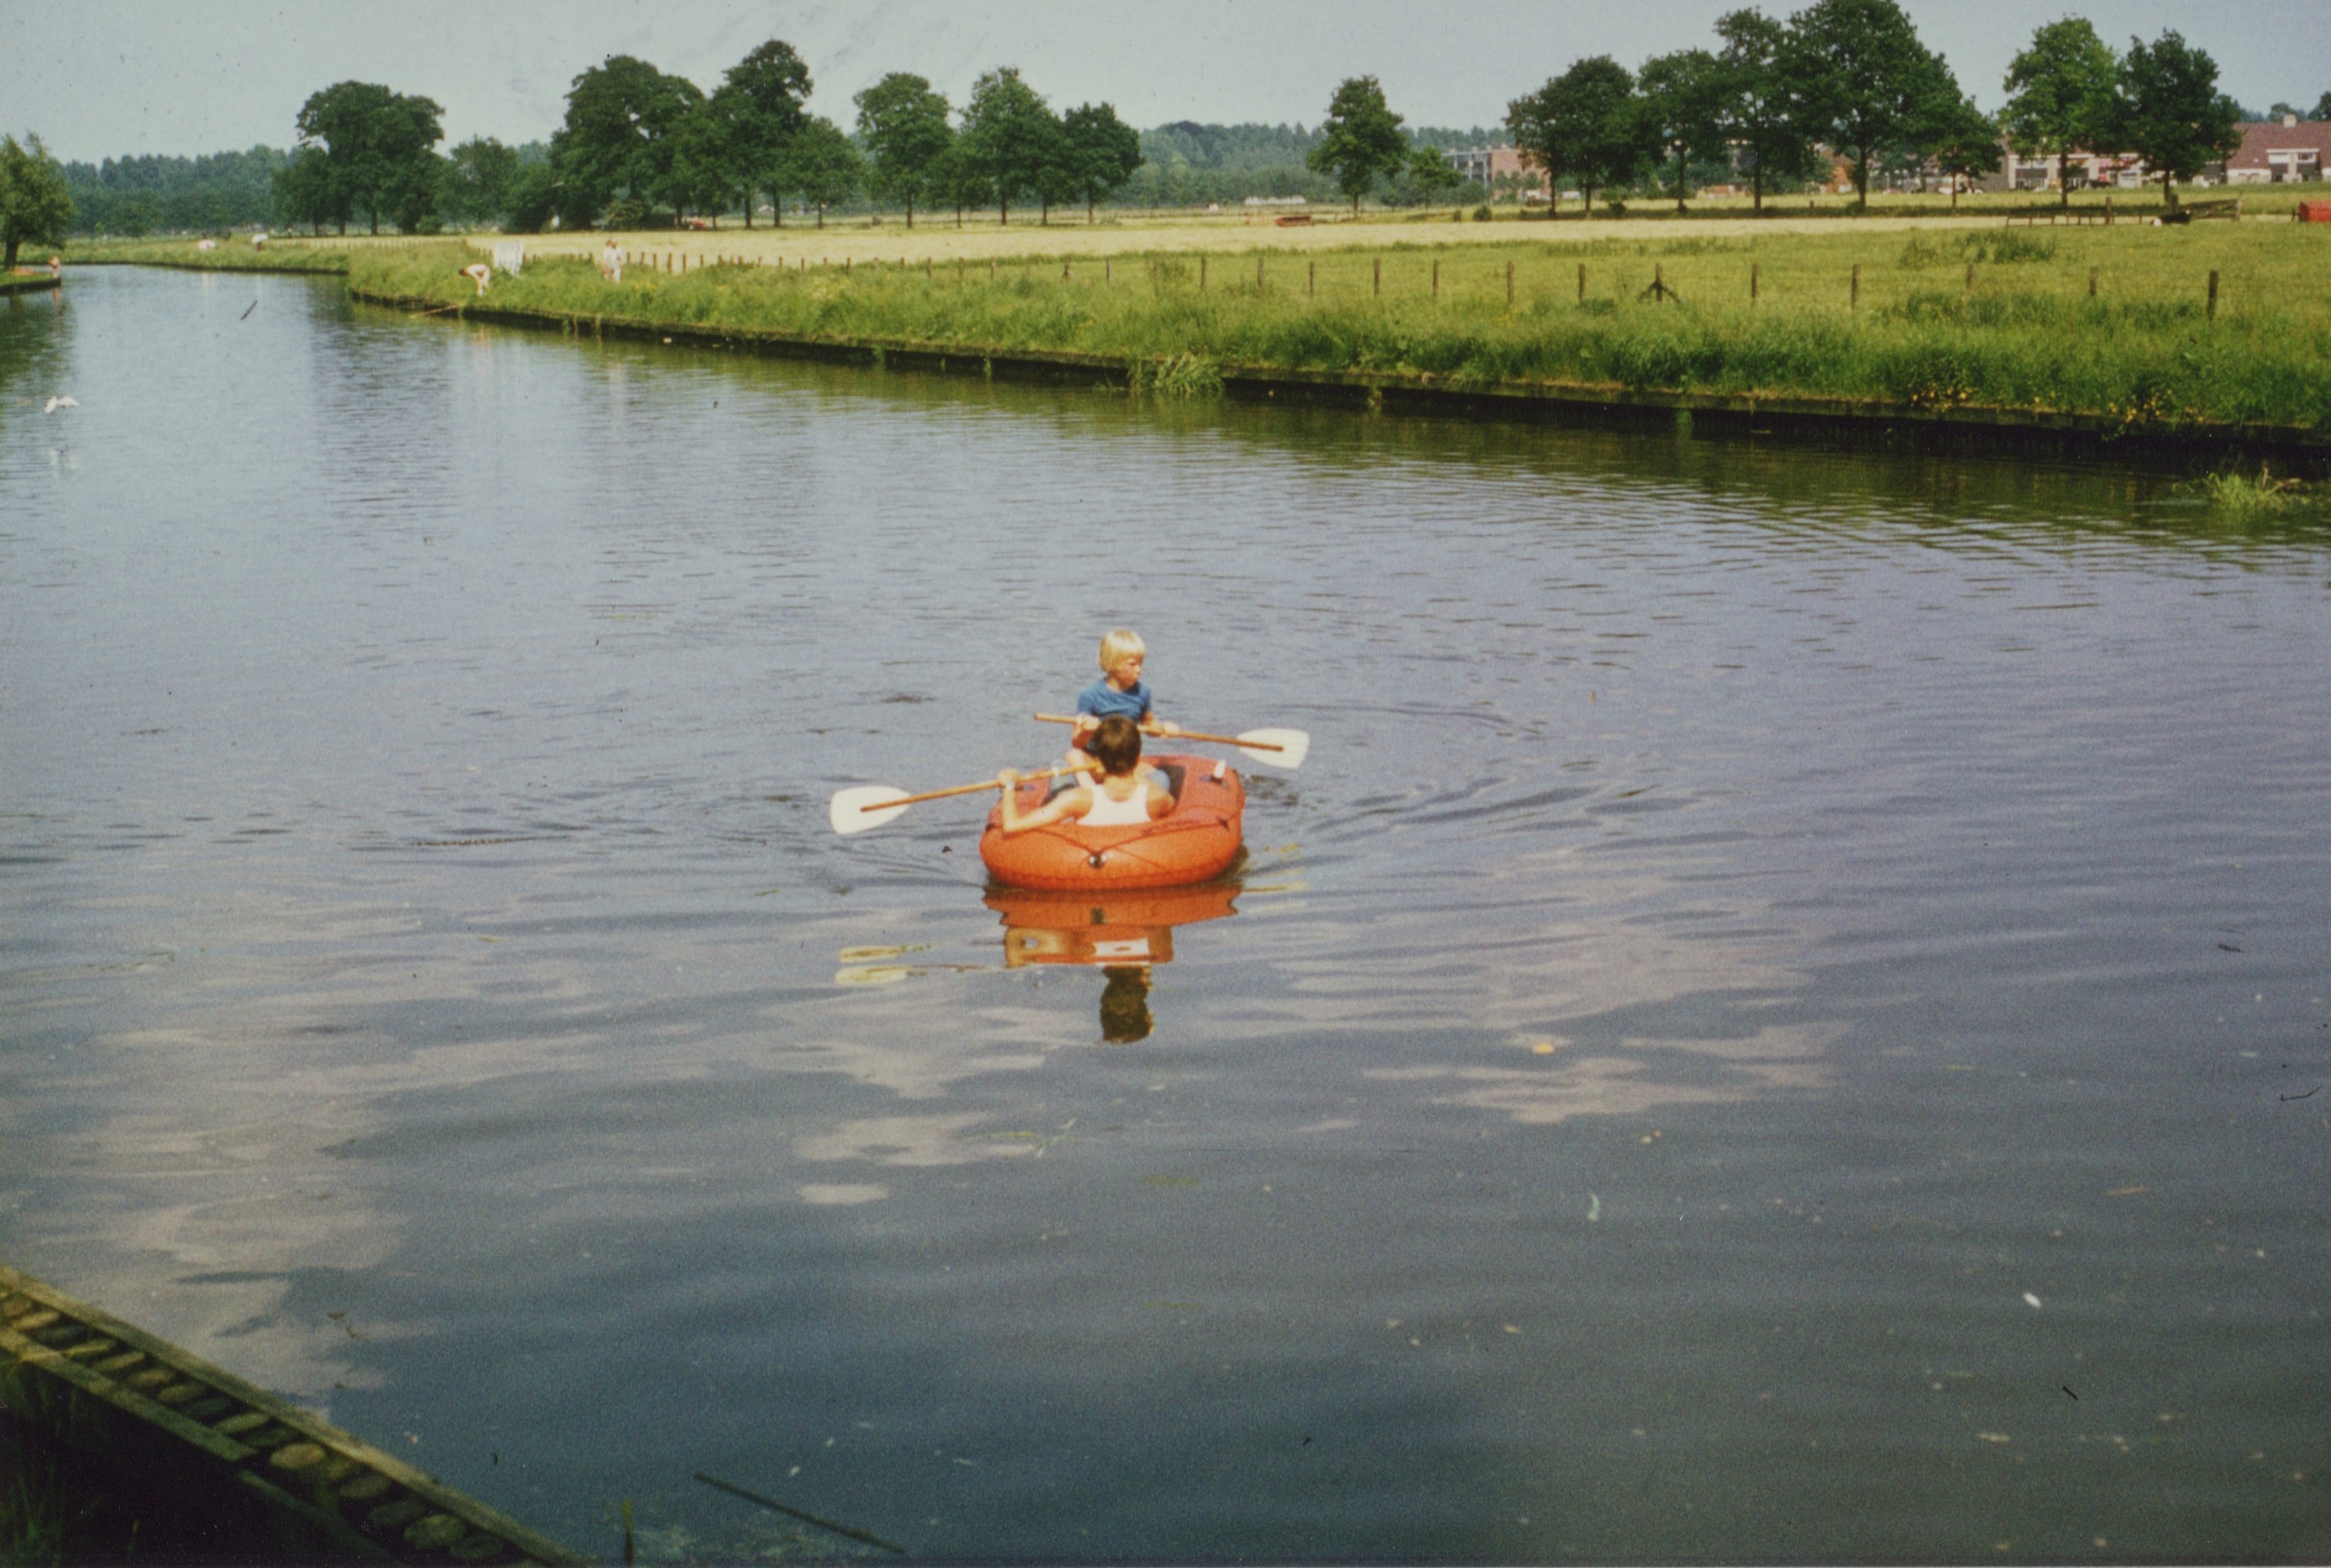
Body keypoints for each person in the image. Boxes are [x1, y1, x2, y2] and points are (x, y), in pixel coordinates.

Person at [998, 716, 1172, 836]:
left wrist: (1009, 786)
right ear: (1137, 760)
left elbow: (1012, 826)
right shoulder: (1158, 798)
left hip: (1083, 860)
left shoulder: (1077, 800)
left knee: (1059, 768)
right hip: (1134, 858)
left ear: (1099, 764)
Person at [1069, 628, 1177, 767]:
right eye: (1132, 665)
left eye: (1140, 664)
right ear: (1112, 664)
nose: (1139, 670)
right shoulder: (1090, 695)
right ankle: (1090, 782)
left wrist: (1163, 728)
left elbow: (1149, 725)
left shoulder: (1142, 693)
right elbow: (1076, 742)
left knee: (1159, 777)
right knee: (1073, 756)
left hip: (1127, 761)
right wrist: (1086, 731)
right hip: (1096, 760)